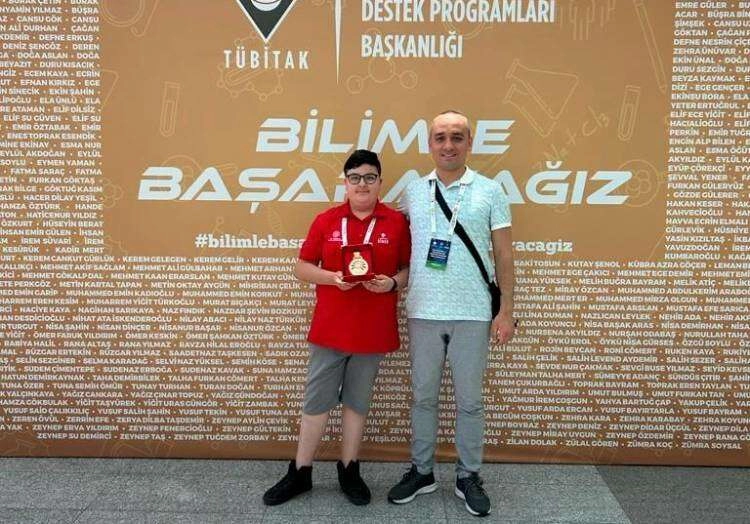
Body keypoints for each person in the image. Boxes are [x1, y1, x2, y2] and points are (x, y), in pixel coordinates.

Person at [263, 149, 411, 507]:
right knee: (317, 401)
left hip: (372, 330)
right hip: (330, 329)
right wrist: (332, 277)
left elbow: (408, 270)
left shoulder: (396, 223)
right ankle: (301, 471)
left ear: (380, 182)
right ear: (345, 182)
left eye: (370, 177)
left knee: (357, 403)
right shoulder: (326, 220)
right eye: (355, 177)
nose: (362, 184)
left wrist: (391, 283)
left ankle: (349, 469)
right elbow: (301, 267)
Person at [387, 111, 515, 517]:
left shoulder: (491, 191)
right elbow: (391, 240)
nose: (448, 145)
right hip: (423, 310)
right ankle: (422, 471)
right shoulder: (412, 191)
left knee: (470, 401)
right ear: (430, 144)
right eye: (440, 137)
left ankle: (468, 475)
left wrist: (506, 310)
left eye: (457, 137)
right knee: (423, 397)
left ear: (469, 142)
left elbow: (504, 254)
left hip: (473, 313)